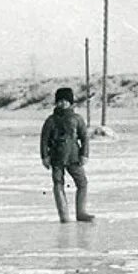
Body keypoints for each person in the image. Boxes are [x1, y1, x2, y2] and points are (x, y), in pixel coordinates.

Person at [40, 86, 91, 222]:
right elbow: (44, 140)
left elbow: (84, 137)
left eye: (65, 101)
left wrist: (84, 154)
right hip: (56, 157)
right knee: (58, 183)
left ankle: (81, 212)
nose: (62, 104)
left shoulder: (77, 119)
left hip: (74, 156)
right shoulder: (50, 120)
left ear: (71, 102)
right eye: (59, 101)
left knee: (82, 183)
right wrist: (44, 156)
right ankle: (64, 215)